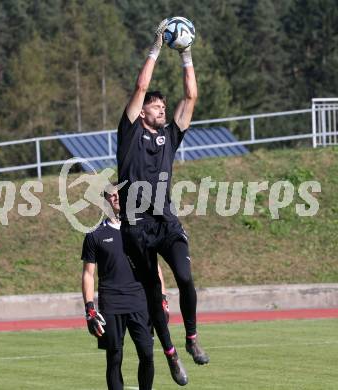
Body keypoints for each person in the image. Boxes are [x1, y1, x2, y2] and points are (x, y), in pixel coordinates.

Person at [117, 19, 209, 386]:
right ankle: (170, 355)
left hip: (165, 221)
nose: (160, 108)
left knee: (186, 279)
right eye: (155, 106)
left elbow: (191, 97)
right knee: (154, 295)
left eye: (161, 106)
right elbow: (140, 86)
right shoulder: (128, 133)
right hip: (136, 226)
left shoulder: (171, 136)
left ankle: (191, 337)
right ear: (142, 113)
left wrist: (186, 53)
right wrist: (155, 48)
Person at [81, 184, 169, 390]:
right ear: (105, 202)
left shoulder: (141, 229)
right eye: (111, 196)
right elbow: (88, 274)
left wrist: (163, 299)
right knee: (114, 356)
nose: (116, 198)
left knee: (147, 354)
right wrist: (89, 308)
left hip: (140, 302)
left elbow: (155, 268)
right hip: (111, 304)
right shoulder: (95, 235)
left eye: (119, 195)